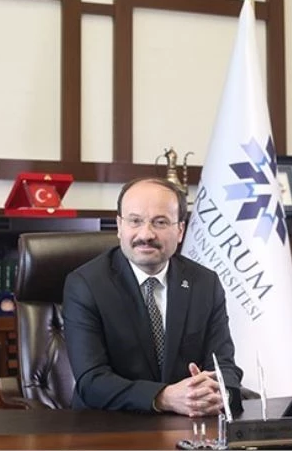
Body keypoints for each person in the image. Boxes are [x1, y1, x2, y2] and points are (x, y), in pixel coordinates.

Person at [62, 177, 243, 416]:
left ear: (180, 230)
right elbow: (91, 381)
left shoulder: (204, 284)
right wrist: (164, 397)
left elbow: (223, 366)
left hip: (189, 424)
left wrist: (219, 394)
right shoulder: (86, 284)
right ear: (119, 226)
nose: (146, 234)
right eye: (135, 221)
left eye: (160, 222)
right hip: (109, 425)